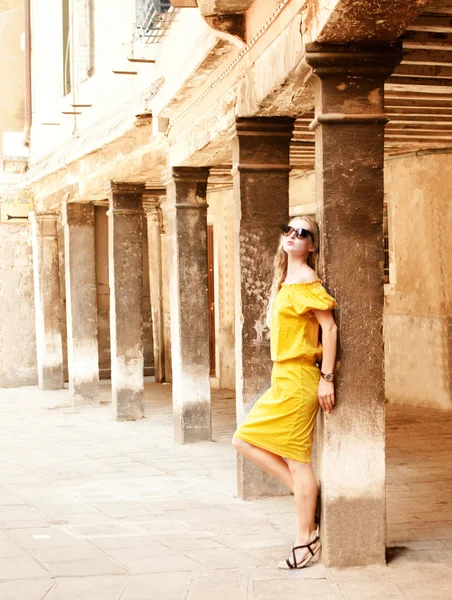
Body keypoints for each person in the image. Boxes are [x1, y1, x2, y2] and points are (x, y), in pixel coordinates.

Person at [232, 216, 337, 570]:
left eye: (302, 233)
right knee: (244, 439)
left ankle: (305, 538)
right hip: (283, 377)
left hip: (301, 378)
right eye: (288, 230)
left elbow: (330, 328)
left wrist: (327, 377)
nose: (292, 236)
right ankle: (305, 494)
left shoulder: (307, 280)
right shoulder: (284, 281)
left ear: (312, 245)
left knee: (297, 459)